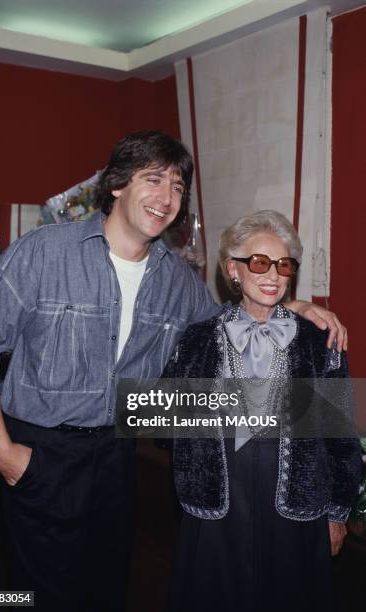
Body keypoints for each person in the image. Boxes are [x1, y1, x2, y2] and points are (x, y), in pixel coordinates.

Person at [0, 133, 348, 611]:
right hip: (41, 450)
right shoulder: (43, 251)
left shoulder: (177, 280)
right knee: (30, 591)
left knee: (107, 586)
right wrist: (0, 450)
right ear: (119, 184)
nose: (167, 197)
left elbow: (228, 322)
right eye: (154, 179)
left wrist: (291, 302)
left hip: (116, 456)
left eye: (178, 187)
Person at [164, 210, 361, 612]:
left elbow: (340, 435)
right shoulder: (198, 339)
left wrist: (337, 512)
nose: (272, 274)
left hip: (296, 505)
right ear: (232, 270)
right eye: (258, 262)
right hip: (220, 500)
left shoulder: (318, 342)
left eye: (284, 264)